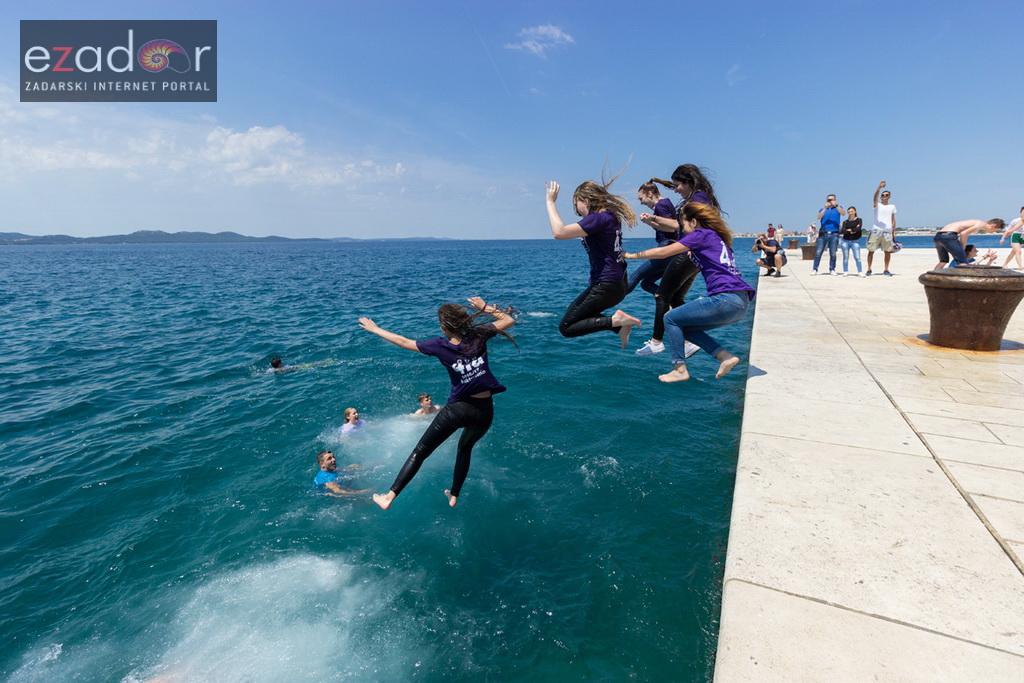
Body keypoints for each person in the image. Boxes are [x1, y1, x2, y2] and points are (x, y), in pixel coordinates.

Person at [359, 297, 515, 509]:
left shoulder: (439, 345)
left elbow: (403, 342)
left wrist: (376, 329)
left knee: (420, 451)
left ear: (443, 327)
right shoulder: (478, 335)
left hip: (458, 409)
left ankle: (389, 497)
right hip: (484, 411)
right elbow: (508, 320)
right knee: (465, 449)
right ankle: (454, 495)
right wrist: (484, 307)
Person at [624, 202, 754, 382]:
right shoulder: (718, 238)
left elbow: (664, 252)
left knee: (670, 318)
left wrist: (631, 256)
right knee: (683, 327)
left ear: (693, 222)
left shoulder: (701, 234)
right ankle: (725, 357)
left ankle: (679, 369)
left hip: (725, 299)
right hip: (740, 304)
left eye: (683, 225)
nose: (683, 231)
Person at [632, 165, 720, 357]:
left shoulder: (698, 199)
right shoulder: (699, 197)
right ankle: (689, 342)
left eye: (678, 185)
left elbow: (703, 228)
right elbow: (681, 225)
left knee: (662, 296)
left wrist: (693, 247)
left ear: (688, 182)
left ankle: (656, 341)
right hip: (694, 254)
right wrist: (653, 219)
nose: (676, 190)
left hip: (687, 252)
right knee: (675, 298)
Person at [545, 176, 642, 348]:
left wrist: (550, 202)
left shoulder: (598, 218)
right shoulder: (610, 216)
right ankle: (619, 326)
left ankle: (617, 321)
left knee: (566, 327)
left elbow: (559, 232)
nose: (577, 211)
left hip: (607, 285)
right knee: (576, 317)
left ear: (586, 201)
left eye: (576, 205)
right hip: (617, 284)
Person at [626, 181, 680, 297]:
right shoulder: (666, 202)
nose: (641, 202)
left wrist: (649, 222)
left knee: (636, 275)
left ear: (650, 194)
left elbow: (670, 229)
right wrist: (650, 221)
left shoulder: (660, 205)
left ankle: (610, 300)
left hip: (666, 246)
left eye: (641, 199)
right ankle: (671, 301)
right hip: (673, 250)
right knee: (646, 283)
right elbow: (670, 226)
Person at [933, 219, 1006, 270]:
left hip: (938, 236)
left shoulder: (976, 223)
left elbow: (962, 235)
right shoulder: (981, 224)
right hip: (949, 236)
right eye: (996, 230)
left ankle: (932, 278)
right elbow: (964, 233)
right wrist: (963, 247)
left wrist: (960, 246)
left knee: (943, 261)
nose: (993, 232)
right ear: (993, 225)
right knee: (963, 262)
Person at [867, 181, 897, 276]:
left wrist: (894, 231)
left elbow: (893, 219)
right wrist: (879, 188)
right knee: (871, 250)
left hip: (887, 231)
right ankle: (869, 269)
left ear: (889, 197)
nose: (884, 196)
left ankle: (886, 269)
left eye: (886, 195)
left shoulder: (892, 207)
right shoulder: (877, 205)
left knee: (887, 251)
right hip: (876, 230)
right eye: (883, 195)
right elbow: (874, 198)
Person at [812, 193, 843, 275]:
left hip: (834, 233)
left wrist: (836, 205)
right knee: (818, 252)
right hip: (823, 233)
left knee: (833, 253)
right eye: (829, 200)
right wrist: (825, 208)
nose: (830, 201)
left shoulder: (838, 208)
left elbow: (843, 213)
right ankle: (815, 269)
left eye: (832, 199)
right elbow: (818, 217)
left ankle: (832, 269)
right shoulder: (822, 209)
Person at [840, 206, 865, 276]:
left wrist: (850, 230)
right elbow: (843, 231)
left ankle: (860, 272)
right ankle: (845, 271)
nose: (850, 213)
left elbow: (858, 229)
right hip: (845, 241)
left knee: (857, 257)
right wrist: (853, 230)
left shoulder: (859, 220)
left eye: (852, 211)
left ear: (855, 212)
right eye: (849, 212)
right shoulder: (845, 222)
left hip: (855, 241)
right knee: (845, 257)